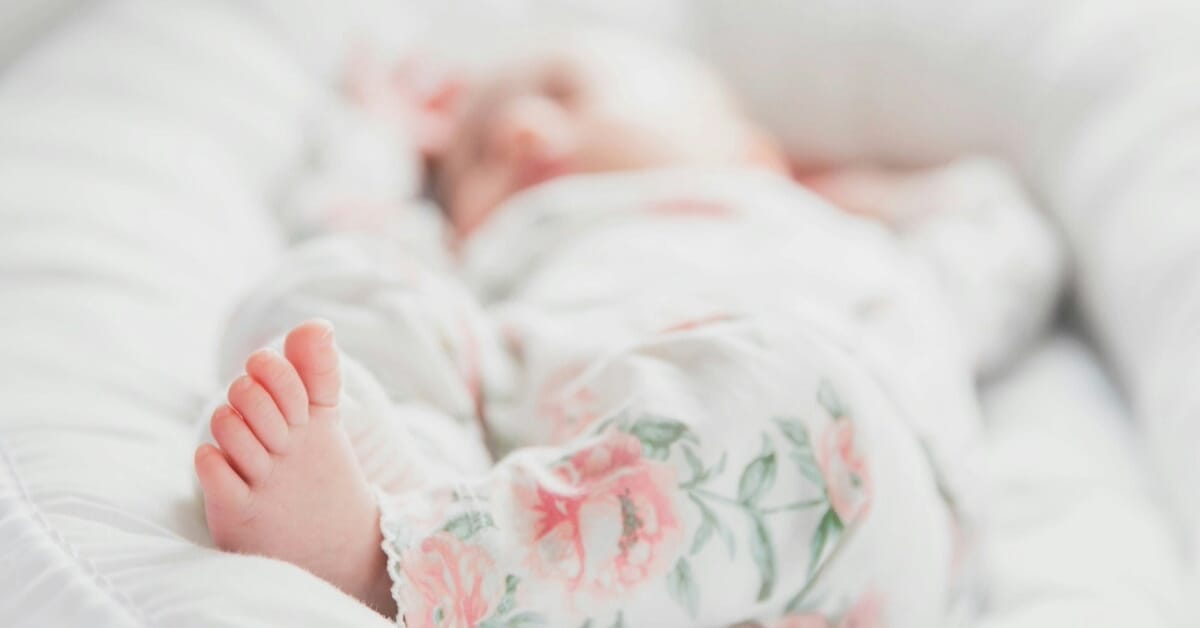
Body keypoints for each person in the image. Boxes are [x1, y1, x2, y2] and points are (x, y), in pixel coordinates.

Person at [194, 30, 1061, 627]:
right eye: (479, 157)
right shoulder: (496, 251)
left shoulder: (835, 241)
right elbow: (351, 222)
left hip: (836, 554)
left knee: (791, 394)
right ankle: (402, 520)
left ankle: (407, 572)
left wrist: (845, 193)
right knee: (331, 293)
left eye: (566, 93)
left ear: (751, 144)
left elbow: (1009, 238)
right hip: (537, 484)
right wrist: (381, 131)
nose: (522, 128)